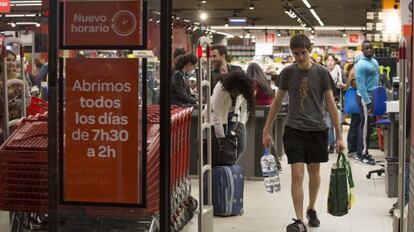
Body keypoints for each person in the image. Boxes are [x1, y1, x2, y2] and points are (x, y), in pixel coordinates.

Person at [262, 34, 345, 232]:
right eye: (296, 54)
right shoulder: (287, 73)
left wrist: (340, 136)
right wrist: (266, 130)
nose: (299, 57)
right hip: (294, 130)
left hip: (317, 129)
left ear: (310, 49)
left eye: (303, 53)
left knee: (314, 172)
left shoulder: (323, 73)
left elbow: (332, 107)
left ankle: (311, 208)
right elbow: (276, 103)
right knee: (297, 174)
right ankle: (299, 221)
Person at [206, 71, 254, 158]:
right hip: (216, 116)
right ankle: (221, 170)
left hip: (233, 116)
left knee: (241, 147)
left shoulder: (244, 89)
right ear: (231, 86)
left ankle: (231, 166)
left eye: (239, 92)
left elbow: (245, 110)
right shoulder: (221, 88)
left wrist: (241, 124)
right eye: (235, 91)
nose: (237, 94)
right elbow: (217, 118)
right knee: (220, 149)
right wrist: (223, 141)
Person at [354, 40, 379, 165]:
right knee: (364, 126)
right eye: (366, 48)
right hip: (364, 98)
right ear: (362, 50)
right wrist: (368, 101)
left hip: (373, 96)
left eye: (371, 48)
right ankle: (361, 154)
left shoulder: (374, 62)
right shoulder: (360, 65)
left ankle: (365, 151)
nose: (369, 50)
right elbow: (361, 85)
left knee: (368, 126)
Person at [325, 54, 347, 153]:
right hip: (326, 101)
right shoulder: (323, 72)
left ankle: (339, 142)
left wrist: (343, 86)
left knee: (338, 123)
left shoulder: (340, 72)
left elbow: (347, 85)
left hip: (338, 101)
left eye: (331, 60)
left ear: (335, 61)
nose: (330, 62)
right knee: (329, 124)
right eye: (328, 60)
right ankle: (331, 145)